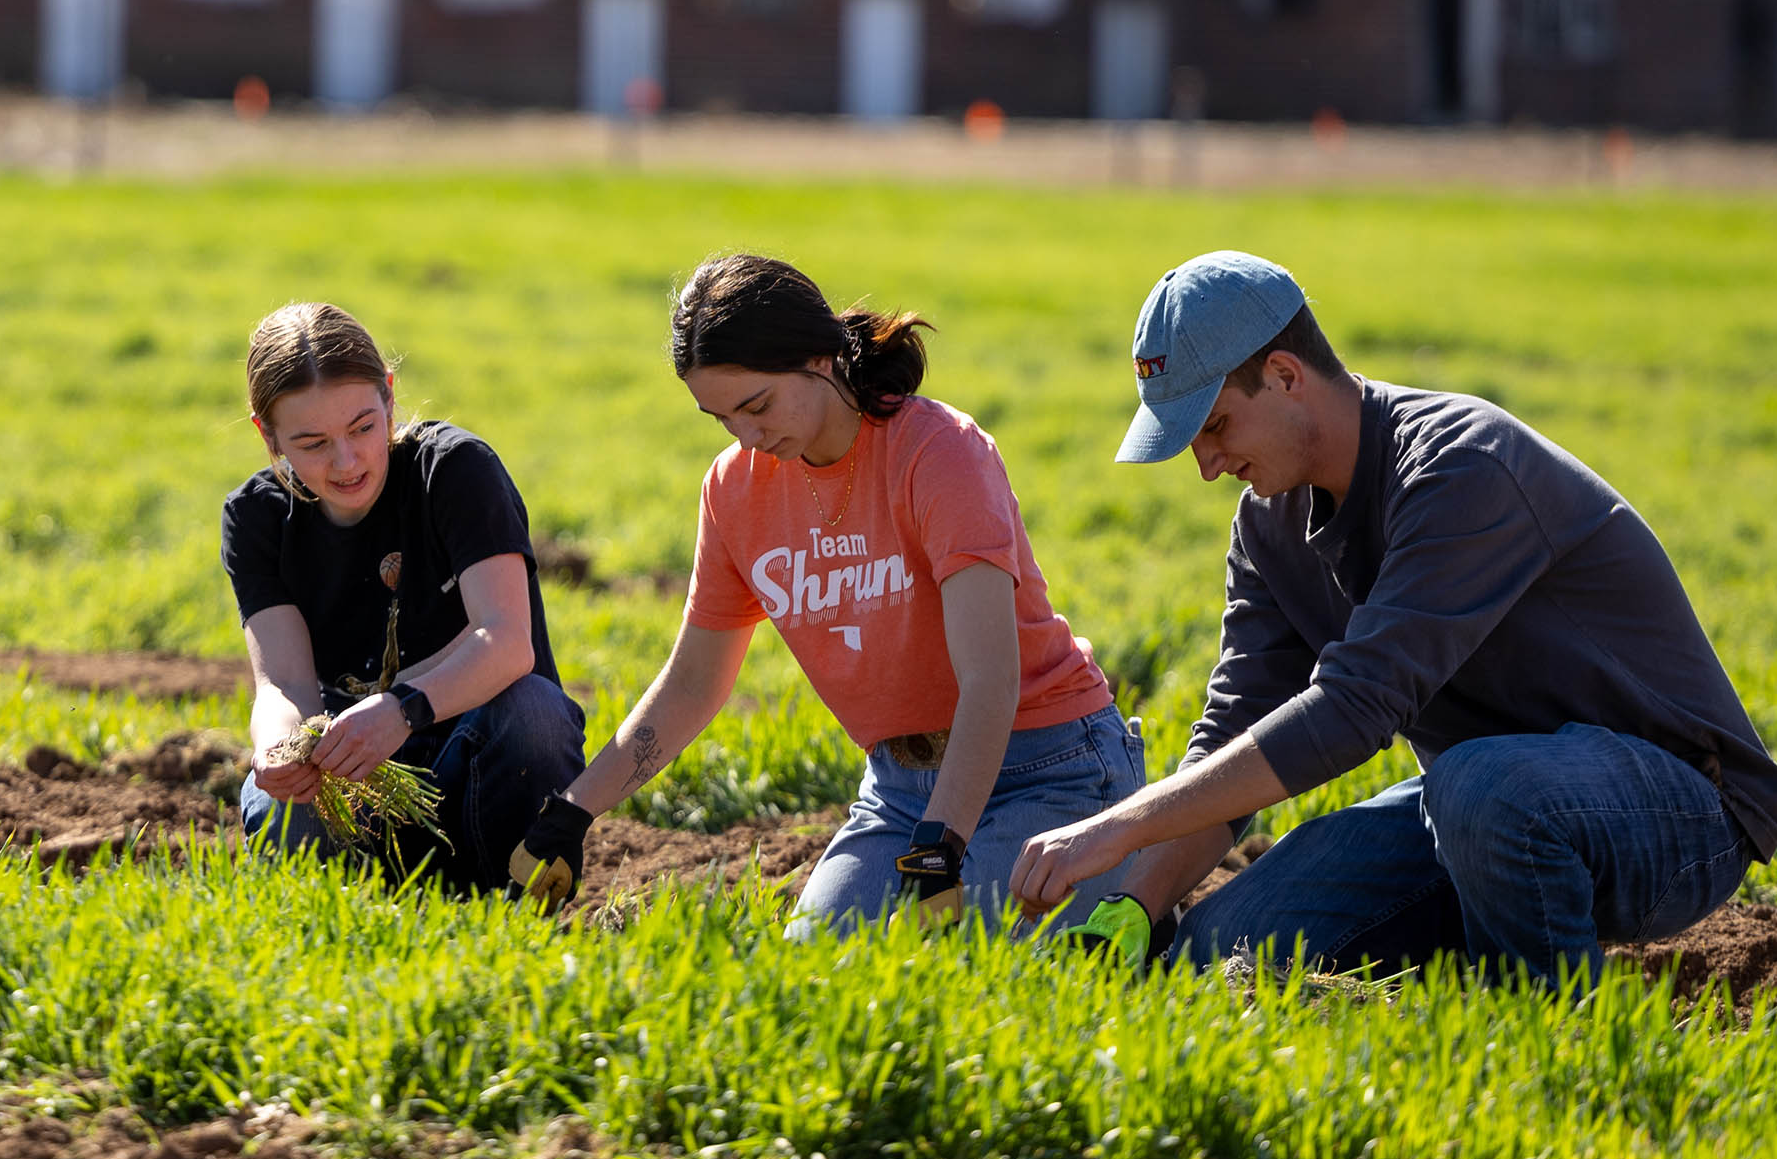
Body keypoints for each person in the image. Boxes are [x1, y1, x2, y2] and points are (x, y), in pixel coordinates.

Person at [1010, 250, 1777, 985]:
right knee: (1219, 947)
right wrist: (1134, 906)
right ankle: (1474, 951)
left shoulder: (1460, 466)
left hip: (1677, 809)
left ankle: (1548, 1032)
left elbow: (1354, 709)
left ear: (1284, 376)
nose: (1206, 465)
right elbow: (1236, 733)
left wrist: (1121, 825)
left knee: (1482, 785)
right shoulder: (1269, 525)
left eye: (1212, 427)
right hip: (1479, 813)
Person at [508, 254, 1143, 935]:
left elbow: (990, 679)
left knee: (960, 963)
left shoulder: (939, 452)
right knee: (818, 964)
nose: (747, 437)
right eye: (721, 419)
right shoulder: (734, 490)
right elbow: (693, 684)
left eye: (757, 405)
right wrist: (575, 811)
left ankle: (1135, 902)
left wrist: (942, 846)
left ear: (819, 360)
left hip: (1047, 768)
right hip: (900, 792)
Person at [221, 302, 585, 892]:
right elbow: (282, 685)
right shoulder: (256, 516)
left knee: (536, 715)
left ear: (389, 395)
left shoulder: (455, 469)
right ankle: (356, 918)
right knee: (273, 804)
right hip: (357, 779)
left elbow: (507, 640)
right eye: (312, 443)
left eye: (363, 427)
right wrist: (279, 749)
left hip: (479, 764)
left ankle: (510, 899)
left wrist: (401, 709)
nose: (346, 461)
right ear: (268, 433)